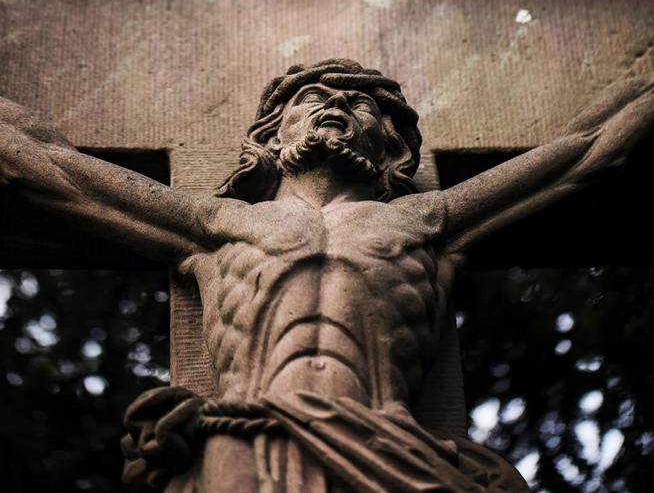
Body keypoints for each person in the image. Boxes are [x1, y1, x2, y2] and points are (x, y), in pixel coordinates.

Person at [1, 59, 652, 492]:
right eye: (314, 97)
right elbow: (53, 169)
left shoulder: (428, 223)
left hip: (391, 452)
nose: (336, 106)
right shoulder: (215, 225)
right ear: (270, 132)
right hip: (240, 448)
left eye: (359, 104)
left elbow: (588, 151)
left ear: (391, 146)